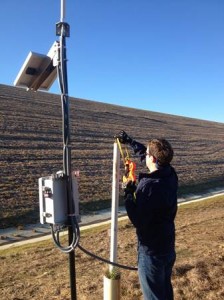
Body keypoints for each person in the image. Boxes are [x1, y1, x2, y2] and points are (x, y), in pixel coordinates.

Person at [116, 130, 178, 300]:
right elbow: (147, 154)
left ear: (153, 159)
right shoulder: (170, 174)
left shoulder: (148, 186)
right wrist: (130, 141)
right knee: (165, 292)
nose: (145, 156)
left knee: (153, 296)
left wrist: (128, 193)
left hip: (151, 252)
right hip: (167, 246)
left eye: (148, 154)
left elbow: (138, 219)